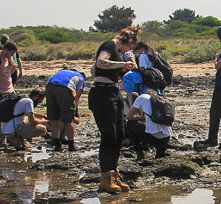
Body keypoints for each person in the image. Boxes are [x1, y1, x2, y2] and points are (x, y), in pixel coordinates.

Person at [88, 25, 140, 194]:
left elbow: (99, 69)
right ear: (128, 41)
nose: (128, 50)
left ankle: (114, 173)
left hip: (113, 91)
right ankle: (105, 178)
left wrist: (123, 68)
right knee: (109, 135)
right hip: (102, 93)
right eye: (130, 47)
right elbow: (100, 63)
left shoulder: (117, 51)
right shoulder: (109, 45)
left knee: (119, 135)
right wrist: (123, 63)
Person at [125, 84, 172, 161]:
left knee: (130, 123)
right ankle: (160, 153)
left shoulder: (142, 97)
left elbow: (128, 117)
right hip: (166, 137)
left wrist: (142, 118)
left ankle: (140, 153)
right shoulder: (164, 100)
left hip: (152, 137)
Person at [0, 40, 20, 146]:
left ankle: (11, 136)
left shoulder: (8, 59)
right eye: (11, 53)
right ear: (5, 50)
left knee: (13, 113)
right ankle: (2, 137)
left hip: (10, 90)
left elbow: (8, 74)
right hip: (0, 91)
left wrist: (13, 67)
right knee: (1, 115)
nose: (12, 55)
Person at [45, 67, 85, 151]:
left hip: (49, 86)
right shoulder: (81, 78)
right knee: (68, 119)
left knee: (54, 118)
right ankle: (71, 145)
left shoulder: (62, 72)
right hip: (64, 88)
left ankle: (57, 145)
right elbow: (77, 98)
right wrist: (75, 112)